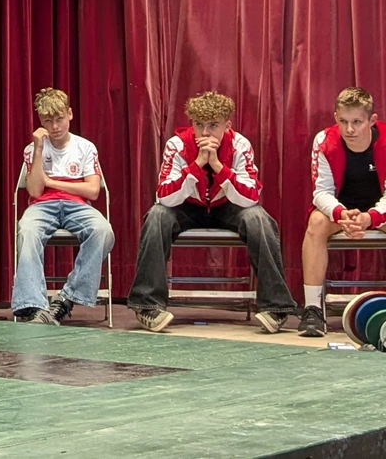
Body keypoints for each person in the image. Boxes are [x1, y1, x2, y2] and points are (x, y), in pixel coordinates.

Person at [127, 91, 296, 333]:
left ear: (227, 125)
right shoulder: (176, 145)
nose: (205, 133)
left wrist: (217, 165)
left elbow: (250, 197)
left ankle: (275, 307)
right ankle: (147, 305)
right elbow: (164, 196)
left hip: (227, 206)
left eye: (213, 126)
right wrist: (196, 166)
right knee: (157, 216)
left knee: (258, 218)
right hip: (187, 207)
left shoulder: (240, 145)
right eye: (199, 125)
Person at [12, 88, 114, 324]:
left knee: (103, 231)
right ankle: (35, 307)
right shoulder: (32, 149)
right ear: (41, 121)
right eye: (48, 121)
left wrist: (52, 182)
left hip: (77, 206)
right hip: (42, 205)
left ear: (70, 114)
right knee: (27, 231)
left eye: (59, 119)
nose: (55, 126)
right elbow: (35, 191)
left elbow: (93, 191)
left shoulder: (85, 147)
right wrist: (38, 149)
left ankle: (66, 299)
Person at [298, 87, 386, 337]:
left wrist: (370, 217)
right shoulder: (324, 141)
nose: (349, 129)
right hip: (342, 210)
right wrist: (341, 214)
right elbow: (321, 192)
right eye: (343, 121)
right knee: (316, 223)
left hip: (379, 209)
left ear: (372, 120)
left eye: (357, 122)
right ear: (336, 117)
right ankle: (313, 309)